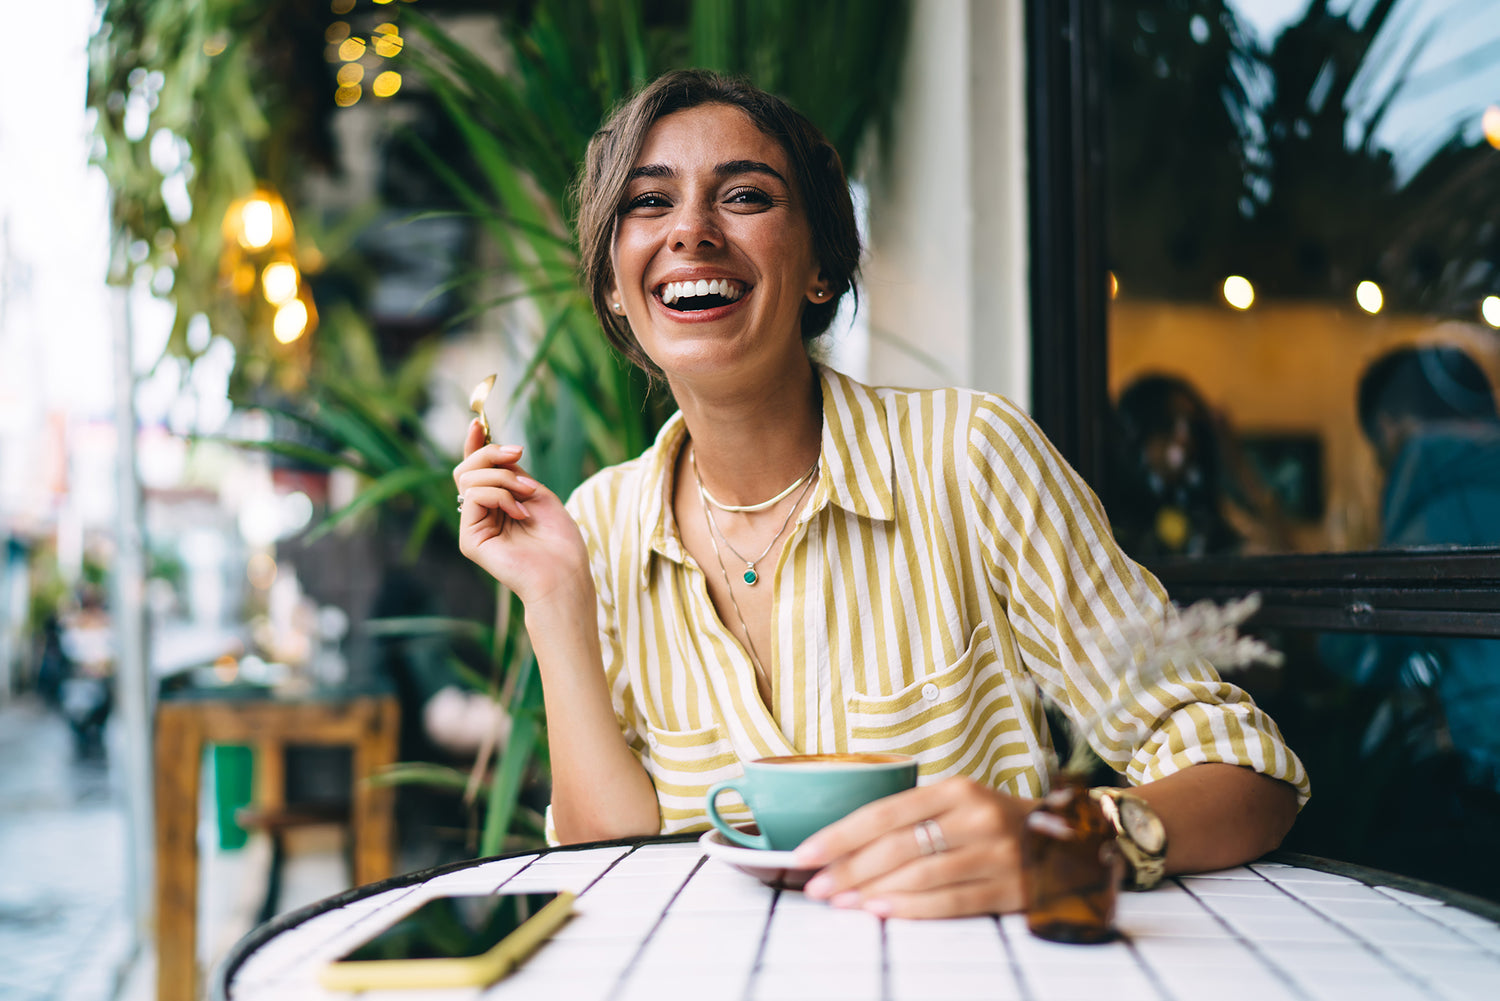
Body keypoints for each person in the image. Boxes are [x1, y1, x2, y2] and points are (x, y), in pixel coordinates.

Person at [453, 69, 1306, 919]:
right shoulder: (599, 523)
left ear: (822, 265)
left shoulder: (970, 462)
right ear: (612, 281)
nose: (690, 231)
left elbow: (1246, 771)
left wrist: (1063, 840)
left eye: (744, 195)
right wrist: (554, 600)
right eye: (648, 202)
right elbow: (618, 863)